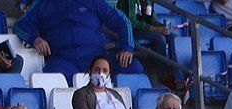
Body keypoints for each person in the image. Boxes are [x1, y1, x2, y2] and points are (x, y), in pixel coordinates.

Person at [12, 0, 143, 84]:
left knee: (134, 67)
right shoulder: (42, 3)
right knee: (53, 79)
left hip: (95, 58)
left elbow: (123, 21)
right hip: (62, 60)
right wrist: (35, 39)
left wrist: (127, 47)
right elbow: (19, 26)